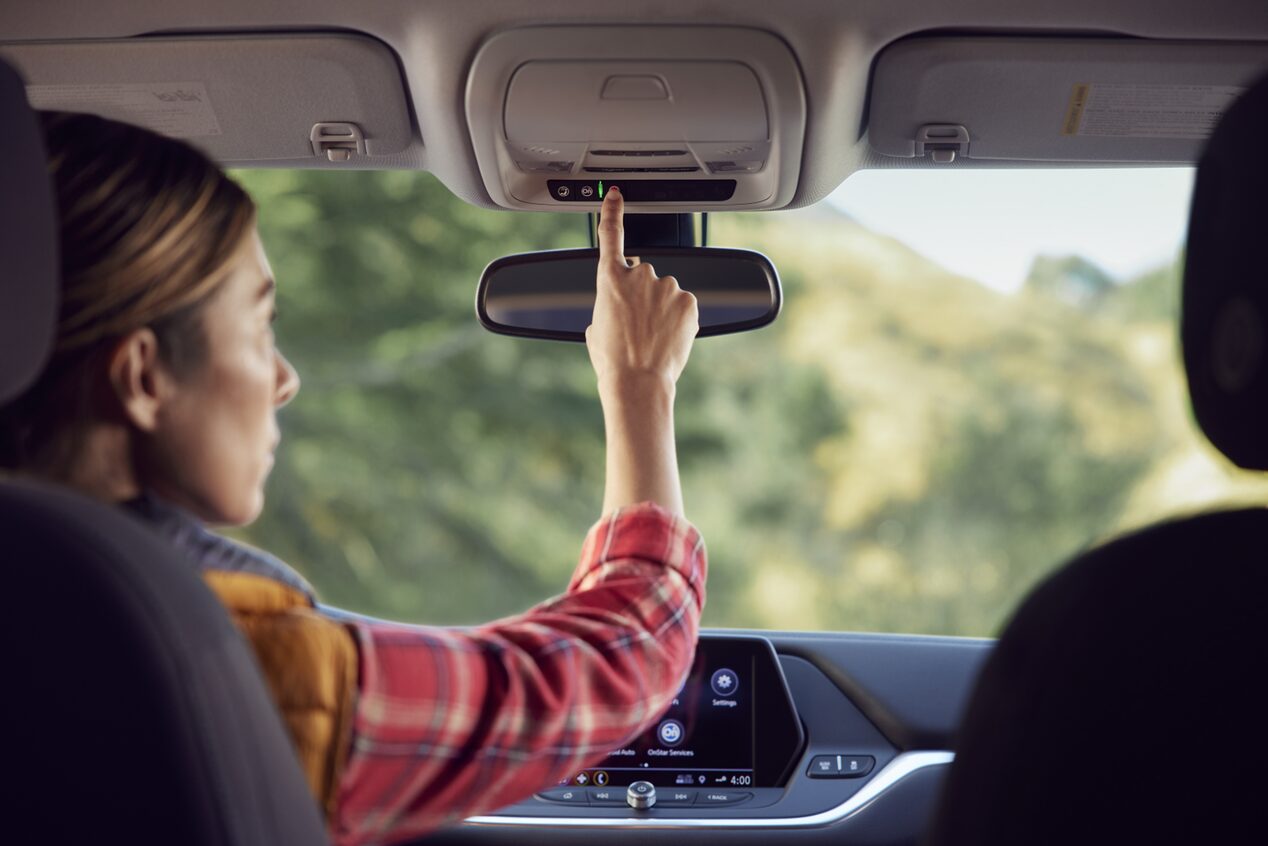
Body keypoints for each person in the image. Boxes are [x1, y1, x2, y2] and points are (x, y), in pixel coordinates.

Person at [0, 111, 706, 846]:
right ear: (144, 376)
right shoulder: (232, 664)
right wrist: (640, 386)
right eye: (259, 330)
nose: (286, 379)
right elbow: (613, 662)